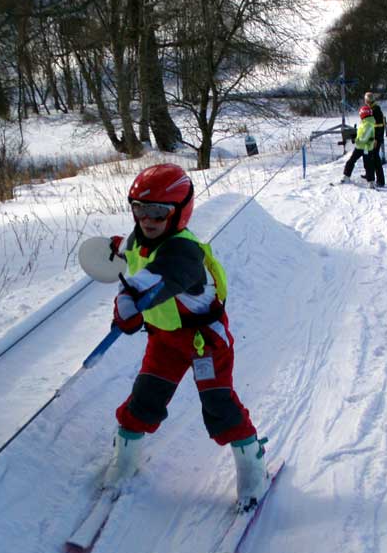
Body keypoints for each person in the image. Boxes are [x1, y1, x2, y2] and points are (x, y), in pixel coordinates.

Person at [104, 163, 270, 511]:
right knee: (144, 400)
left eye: (158, 212)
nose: (147, 219)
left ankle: (253, 463)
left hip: (203, 342)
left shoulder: (184, 254)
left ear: (179, 213)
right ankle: (125, 460)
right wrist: (115, 247)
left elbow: (155, 281)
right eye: (139, 209)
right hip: (165, 339)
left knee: (219, 407)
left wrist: (128, 301)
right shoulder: (140, 237)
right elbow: (133, 252)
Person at [340, 105, 375, 185]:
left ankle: (371, 182)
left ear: (363, 114)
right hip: (359, 147)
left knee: (368, 165)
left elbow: (364, 138)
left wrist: (355, 139)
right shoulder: (364, 122)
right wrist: (356, 136)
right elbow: (361, 134)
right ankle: (346, 176)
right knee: (351, 161)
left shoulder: (369, 124)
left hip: (366, 148)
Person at [364, 91, 386, 188]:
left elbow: (379, 126)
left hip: (375, 138)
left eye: (367, 100)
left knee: (375, 158)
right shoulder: (371, 109)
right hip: (372, 137)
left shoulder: (375, 110)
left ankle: (380, 180)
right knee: (371, 157)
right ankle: (370, 175)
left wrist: (376, 139)